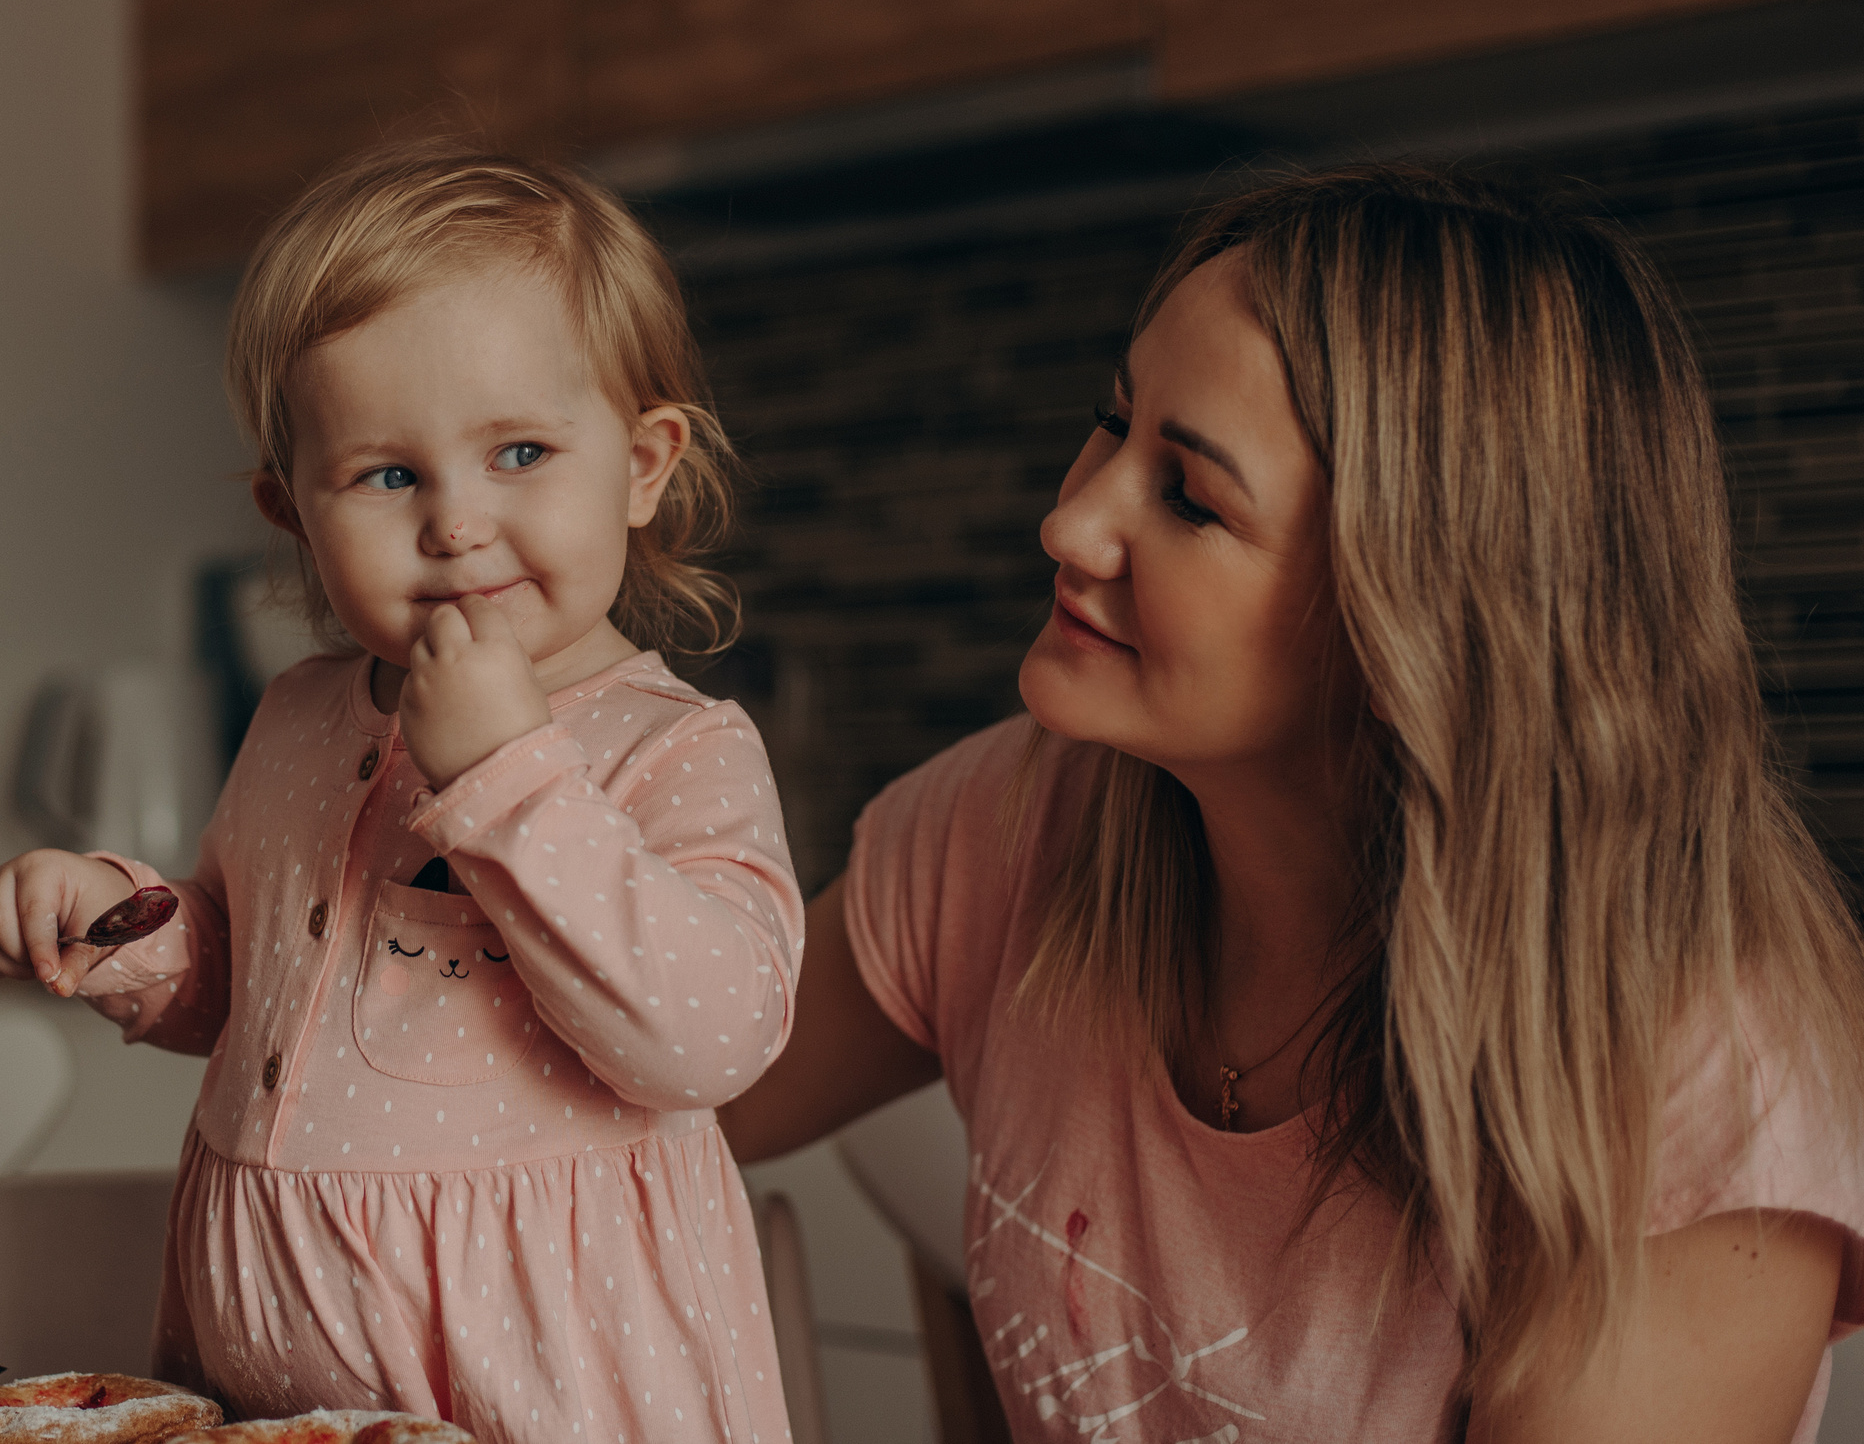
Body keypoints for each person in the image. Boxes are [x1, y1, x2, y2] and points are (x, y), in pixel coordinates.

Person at [717, 165, 1864, 1442]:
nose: (1069, 519)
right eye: (1111, 420)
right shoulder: (1009, 826)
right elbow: (629, 1091)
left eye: (1190, 497)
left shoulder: (1687, 1074)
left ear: (1414, 619)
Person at [0, 141, 802, 1444]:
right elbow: (252, 987)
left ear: (642, 465)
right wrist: (118, 922)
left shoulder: (671, 748)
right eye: (390, 475)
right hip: (267, 1378)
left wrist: (508, 777)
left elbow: (708, 1040)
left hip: (551, 1374)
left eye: (520, 450)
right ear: (290, 512)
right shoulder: (299, 718)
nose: (458, 522)